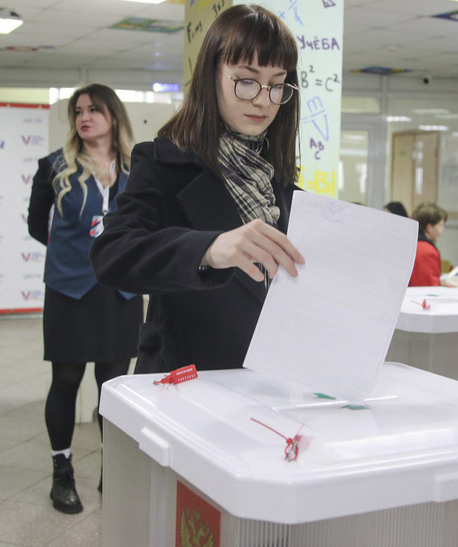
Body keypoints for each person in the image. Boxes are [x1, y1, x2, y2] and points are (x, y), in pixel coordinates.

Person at [89, 5, 304, 375]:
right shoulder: (163, 163)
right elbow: (112, 255)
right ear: (211, 75)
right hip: (189, 377)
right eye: (246, 81)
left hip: (273, 378)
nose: (263, 99)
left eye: (277, 85)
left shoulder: (279, 181)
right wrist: (208, 249)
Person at [27, 83, 144, 514]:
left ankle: (114, 469)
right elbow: (37, 224)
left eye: (94, 109)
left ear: (113, 115)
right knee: (65, 381)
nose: (84, 117)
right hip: (69, 289)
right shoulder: (53, 166)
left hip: (121, 290)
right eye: (78, 111)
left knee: (113, 388)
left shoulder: (138, 167)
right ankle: (62, 473)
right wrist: (74, 254)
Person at [408, 202, 447, 286]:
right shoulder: (427, 251)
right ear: (429, 227)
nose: (443, 230)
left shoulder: (411, 243)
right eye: (440, 225)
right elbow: (429, 286)